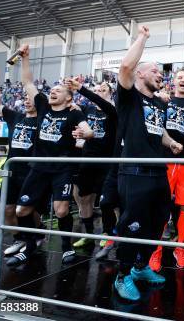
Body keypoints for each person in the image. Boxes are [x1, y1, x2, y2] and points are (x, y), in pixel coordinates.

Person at [113, 25, 183, 301]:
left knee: (157, 224)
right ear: (141, 74)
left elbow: (158, 130)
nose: (160, 75)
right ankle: (122, 275)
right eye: (155, 71)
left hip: (158, 173)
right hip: (134, 172)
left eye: (160, 72)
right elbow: (125, 68)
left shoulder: (158, 104)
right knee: (132, 226)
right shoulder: (129, 96)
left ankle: (141, 268)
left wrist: (170, 143)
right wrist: (142, 37)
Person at [7, 52, 95, 267]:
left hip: (62, 169)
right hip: (37, 168)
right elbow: (28, 81)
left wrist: (84, 134)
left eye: (58, 91)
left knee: (61, 210)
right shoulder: (43, 106)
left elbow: (88, 131)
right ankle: (30, 246)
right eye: (52, 90)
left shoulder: (74, 113)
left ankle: (66, 247)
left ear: (68, 98)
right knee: (21, 210)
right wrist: (26, 58)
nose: (53, 92)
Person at [148, 67, 184, 271]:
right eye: (180, 77)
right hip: (165, 161)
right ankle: (156, 251)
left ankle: (180, 247)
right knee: (159, 206)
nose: (183, 80)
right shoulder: (162, 101)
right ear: (174, 81)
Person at [0, 61, 41, 256]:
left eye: (30, 98)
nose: (27, 101)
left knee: (28, 210)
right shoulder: (15, 117)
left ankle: (36, 236)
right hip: (12, 171)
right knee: (9, 210)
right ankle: (20, 239)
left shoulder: (42, 119)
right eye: (25, 98)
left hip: (32, 171)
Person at [67, 80, 117, 250]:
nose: (99, 92)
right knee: (84, 198)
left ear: (110, 93)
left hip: (107, 161)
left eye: (103, 90)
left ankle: (108, 233)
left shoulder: (113, 111)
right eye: (96, 90)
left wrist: (81, 89)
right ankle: (88, 234)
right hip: (87, 159)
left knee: (106, 201)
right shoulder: (86, 110)